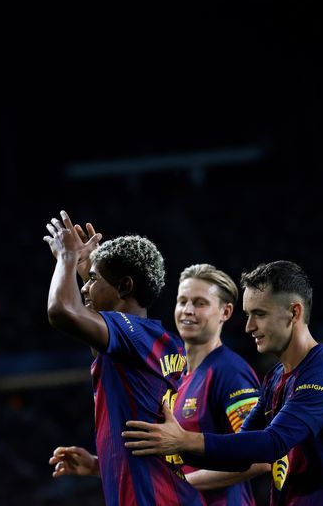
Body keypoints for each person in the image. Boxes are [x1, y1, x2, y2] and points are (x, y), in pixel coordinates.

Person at [122, 260, 323, 505]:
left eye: (259, 314)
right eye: (248, 315)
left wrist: (184, 441)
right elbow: (239, 451)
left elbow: (271, 444)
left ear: (294, 312)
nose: (249, 327)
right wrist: (171, 450)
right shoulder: (275, 378)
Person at [50, 263, 271, 505]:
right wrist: (96, 465)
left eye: (200, 303)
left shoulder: (230, 371)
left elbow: (258, 458)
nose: (187, 310)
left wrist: (180, 483)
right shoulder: (173, 368)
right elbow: (168, 456)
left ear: (225, 312)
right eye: (182, 301)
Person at [42, 210, 206, 506]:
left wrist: (66, 257)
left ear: (125, 287)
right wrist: (97, 464)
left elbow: (62, 311)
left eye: (92, 279)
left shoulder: (128, 334)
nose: (84, 287)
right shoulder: (161, 342)